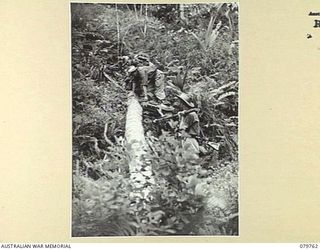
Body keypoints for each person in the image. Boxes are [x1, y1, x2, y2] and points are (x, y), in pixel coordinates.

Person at [176, 92, 200, 160]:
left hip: (190, 140)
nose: (179, 104)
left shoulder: (190, 115)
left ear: (183, 104)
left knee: (191, 162)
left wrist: (182, 117)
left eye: (180, 102)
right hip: (189, 139)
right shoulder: (190, 114)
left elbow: (182, 129)